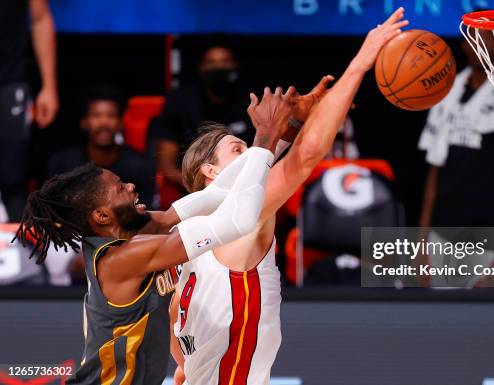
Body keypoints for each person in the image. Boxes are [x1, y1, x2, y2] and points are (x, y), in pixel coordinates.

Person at [169, 8, 409, 385]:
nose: (251, 155)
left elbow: (174, 329)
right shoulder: (239, 217)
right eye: (237, 150)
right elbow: (308, 154)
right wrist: (362, 61)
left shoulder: (185, 238)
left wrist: (297, 121)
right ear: (210, 172)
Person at [13, 91, 290, 384]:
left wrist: (288, 128)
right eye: (119, 188)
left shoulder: (133, 234)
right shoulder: (123, 258)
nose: (131, 186)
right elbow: (237, 219)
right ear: (102, 216)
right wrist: (263, 139)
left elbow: (209, 197)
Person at [417, 27, 494, 287]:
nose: (478, 43)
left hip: (489, 241)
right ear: (463, 44)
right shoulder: (446, 93)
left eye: (486, 36)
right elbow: (433, 172)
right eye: (472, 37)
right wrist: (422, 241)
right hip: (442, 235)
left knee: (488, 324)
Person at [151, 46, 252, 189]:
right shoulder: (180, 102)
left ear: (235, 66)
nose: (218, 67)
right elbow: (167, 166)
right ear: (201, 68)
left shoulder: (251, 101)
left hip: (245, 186)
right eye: (211, 63)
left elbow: (262, 153)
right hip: (192, 189)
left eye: (225, 62)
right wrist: (204, 191)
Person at [47, 85, 157, 208]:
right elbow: (50, 209)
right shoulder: (63, 163)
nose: (104, 122)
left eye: (111, 116)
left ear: (121, 123)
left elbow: (148, 213)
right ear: (84, 122)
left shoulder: (139, 165)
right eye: (96, 115)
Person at [0, 0, 58, 221]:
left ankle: (17, 247)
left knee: (14, 176)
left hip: (9, 80)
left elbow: (40, 17)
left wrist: (49, 86)